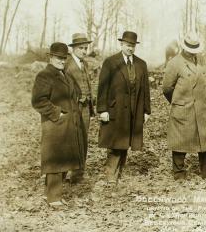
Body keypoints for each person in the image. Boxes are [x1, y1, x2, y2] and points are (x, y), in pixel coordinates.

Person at [31, 42, 85, 207]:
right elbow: (38, 101)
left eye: (64, 58)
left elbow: (77, 92)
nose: (62, 61)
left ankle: (50, 194)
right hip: (54, 125)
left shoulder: (66, 75)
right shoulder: (44, 75)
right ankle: (53, 198)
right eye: (59, 58)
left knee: (64, 159)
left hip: (68, 124)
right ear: (51, 57)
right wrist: (57, 113)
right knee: (55, 160)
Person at [97, 31, 151, 183]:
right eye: (128, 45)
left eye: (133, 46)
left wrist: (146, 111)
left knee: (126, 141)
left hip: (135, 109)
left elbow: (146, 89)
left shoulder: (141, 64)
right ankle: (111, 176)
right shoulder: (111, 62)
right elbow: (102, 88)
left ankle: (118, 173)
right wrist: (102, 110)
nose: (130, 48)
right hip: (116, 109)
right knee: (115, 142)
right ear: (121, 44)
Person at [162, 32, 206, 180]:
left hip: (201, 109)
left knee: (205, 139)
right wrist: (179, 101)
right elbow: (166, 88)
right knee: (180, 141)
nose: (192, 52)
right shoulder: (174, 63)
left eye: (195, 50)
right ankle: (179, 174)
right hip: (183, 108)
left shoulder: (200, 61)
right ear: (184, 48)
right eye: (190, 49)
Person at [64, 33, 94, 183]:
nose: (84, 51)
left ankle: (78, 175)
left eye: (86, 48)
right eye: (81, 48)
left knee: (83, 141)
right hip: (73, 110)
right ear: (73, 49)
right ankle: (62, 174)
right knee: (70, 141)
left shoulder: (85, 64)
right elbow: (64, 90)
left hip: (86, 109)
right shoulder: (67, 66)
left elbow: (88, 84)